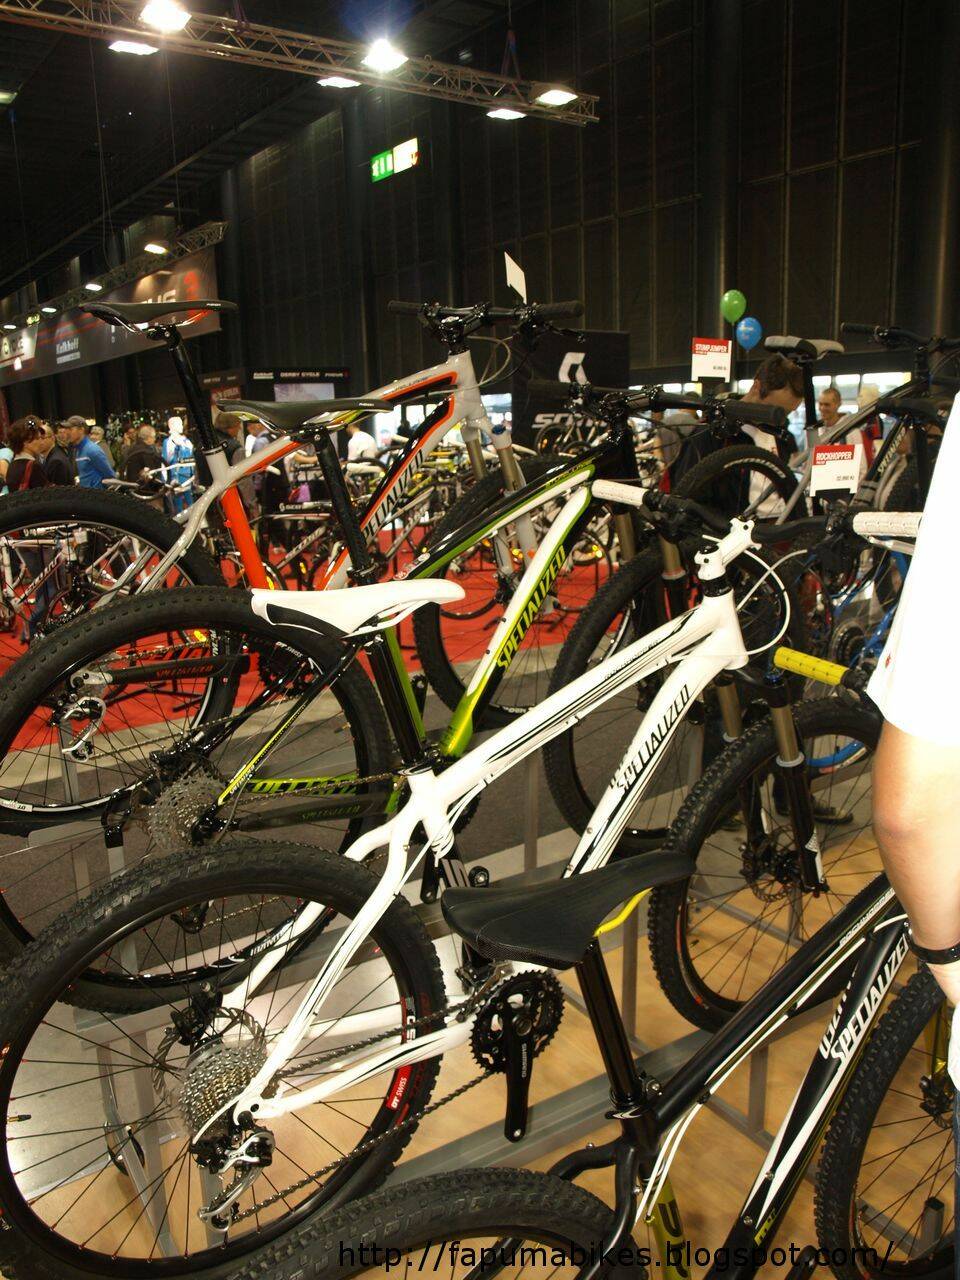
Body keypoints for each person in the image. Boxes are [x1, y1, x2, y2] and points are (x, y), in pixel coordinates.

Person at [66, 416, 115, 489]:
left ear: (81, 430)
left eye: (70, 429)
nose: (67, 432)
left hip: (96, 494)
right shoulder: (78, 450)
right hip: (87, 494)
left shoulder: (92, 450)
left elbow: (110, 476)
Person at [6, 416, 49, 491]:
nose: (42, 442)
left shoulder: (12, 466)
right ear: (25, 441)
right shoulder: (34, 466)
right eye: (37, 438)